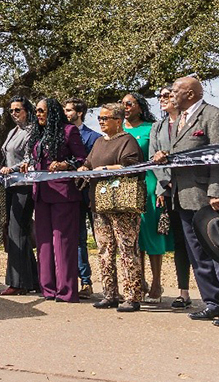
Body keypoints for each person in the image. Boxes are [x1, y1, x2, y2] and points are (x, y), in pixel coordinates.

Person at [153, 76, 219, 327]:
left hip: (210, 199)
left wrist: (216, 191)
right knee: (198, 256)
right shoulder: (178, 120)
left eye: (175, 90)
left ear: (190, 93)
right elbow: (185, 153)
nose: (171, 95)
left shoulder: (213, 116)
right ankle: (213, 302)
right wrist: (166, 156)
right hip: (184, 197)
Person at [80, 103, 146, 312]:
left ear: (118, 121)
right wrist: (83, 168)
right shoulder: (99, 142)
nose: (101, 122)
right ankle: (110, 294)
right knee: (104, 249)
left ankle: (132, 296)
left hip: (122, 205)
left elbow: (133, 166)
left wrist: (108, 168)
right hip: (100, 204)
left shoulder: (127, 141)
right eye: (99, 118)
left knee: (127, 249)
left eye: (105, 118)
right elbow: (89, 163)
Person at [26, 98, 88, 303]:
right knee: (43, 243)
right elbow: (35, 159)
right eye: (36, 111)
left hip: (63, 193)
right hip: (41, 192)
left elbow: (82, 159)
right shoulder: (38, 134)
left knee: (63, 242)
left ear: (52, 112)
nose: (38, 114)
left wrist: (65, 164)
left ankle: (66, 290)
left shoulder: (69, 131)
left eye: (41, 110)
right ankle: (48, 288)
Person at [148, 87, 191, 309]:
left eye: (167, 95)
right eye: (160, 96)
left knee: (199, 241)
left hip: (192, 188)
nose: (162, 99)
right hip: (169, 191)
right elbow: (152, 157)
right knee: (180, 242)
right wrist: (164, 184)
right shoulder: (158, 126)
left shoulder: (189, 122)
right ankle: (184, 292)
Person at [122, 91, 165, 303]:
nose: (125, 107)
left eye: (129, 103)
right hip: (124, 187)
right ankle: (139, 282)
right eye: (122, 104)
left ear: (140, 106)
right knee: (133, 238)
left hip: (148, 184)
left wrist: (161, 188)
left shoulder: (152, 128)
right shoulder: (118, 129)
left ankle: (156, 284)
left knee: (151, 235)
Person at [0, 95, 38, 296]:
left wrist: (12, 169)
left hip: (25, 185)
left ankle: (18, 282)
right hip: (10, 185)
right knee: (14, 230)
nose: (14, 114)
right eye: (11, 110)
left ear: (27, 111)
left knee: (18, 231)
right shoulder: (13, 131)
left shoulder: (32, 132)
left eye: (17, 110)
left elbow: (30, 159)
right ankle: (33, 279)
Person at [64, 97, 100, 299]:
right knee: (78, 239)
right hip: (72, 194)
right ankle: (85, 281)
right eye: (65, 110)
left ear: (79, 113)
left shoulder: (94, 137)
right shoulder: (62, 136)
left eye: (69, 110)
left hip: (92, 194)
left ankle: (111, 284)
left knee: (101, 238)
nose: (66, 113)